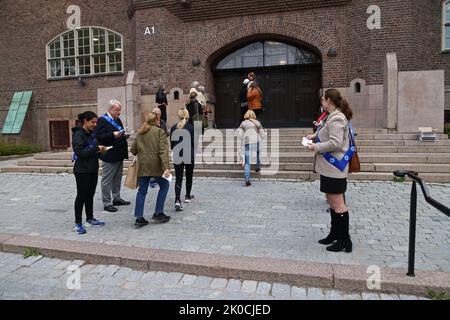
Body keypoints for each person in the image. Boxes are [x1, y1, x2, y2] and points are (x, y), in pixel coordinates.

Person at [306, 89, 354, 253]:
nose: (321, 103)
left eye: (323, 100)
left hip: (334, 168)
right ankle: (334, 234)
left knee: (338, 204)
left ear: (329, 100)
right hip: (329, 169)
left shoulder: (336, 118)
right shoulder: (331, 116)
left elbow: (335, 143)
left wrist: (315, 147)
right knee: (332, 203)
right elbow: (326, 133)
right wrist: (314, 136)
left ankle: (344, 240)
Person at [131, 112, 171, 226]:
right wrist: (166, 167)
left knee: (142, 191)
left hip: (143, 165)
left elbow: (133, 150)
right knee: (164, 186)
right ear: (157, 119)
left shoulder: (140, 132)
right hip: (156, 165)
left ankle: (139, 217)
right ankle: (158, 213)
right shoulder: (159, 132)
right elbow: (163, 151)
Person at [71, 111, 106, 234]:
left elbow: (91, 150)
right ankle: (77, 223)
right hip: (82, 171)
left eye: (95, 122)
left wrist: (100, 151)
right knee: (81, 196)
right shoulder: (78, 135)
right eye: (93, 122)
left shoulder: (91, 134)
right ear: (85, 121)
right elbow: (80, 153)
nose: (95, 124)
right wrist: (96, 148)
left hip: (92, 169)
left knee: (90, 194)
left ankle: (90, 218)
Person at [95, 100, 130, 213]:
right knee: (107, 179)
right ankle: (107, 203)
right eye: (117, 110)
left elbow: (119, 134)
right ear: (110, 110)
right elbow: (99, 137)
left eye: (119, 110)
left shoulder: (117, 120)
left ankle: (116, 198)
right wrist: (112, 135)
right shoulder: (102, 120)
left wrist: (124, 135)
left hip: (119, 154)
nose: (119, 112)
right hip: (109, 155)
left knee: (117, 178)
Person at [170, 108, 195, 211]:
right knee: (189, 176)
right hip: (189, 154)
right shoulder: (191, 127)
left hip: (177, 155)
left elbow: (172, 144)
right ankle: (187, 196)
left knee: (178, 178)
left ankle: (177, 200)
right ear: (187, 116)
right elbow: (194, 143)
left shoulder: (173, 128)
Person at [237, 110, 265, 186]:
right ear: (253, 115)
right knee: (258, 152)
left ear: (246, 115)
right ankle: (258, 166)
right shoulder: (257, 122)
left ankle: (247, 179)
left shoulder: (243, 123)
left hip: (247, 143)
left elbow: (239, 134)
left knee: (247, 162)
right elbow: (262, 135)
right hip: (256, 141)